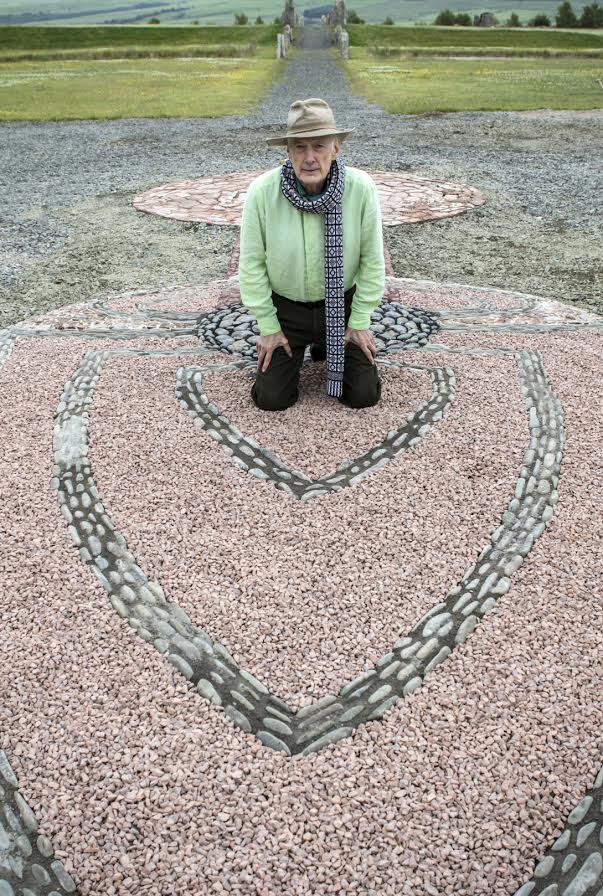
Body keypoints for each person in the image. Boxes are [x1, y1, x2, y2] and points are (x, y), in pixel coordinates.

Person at [239, 97, 385, 411]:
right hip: (287, 310)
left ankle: (325, 344)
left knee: (364, 395)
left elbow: (373, 262)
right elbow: (251, 265)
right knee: (271, 400)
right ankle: (309, 344)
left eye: (319, 146)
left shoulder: (361, 188)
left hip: (341, 305)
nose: (309, 158)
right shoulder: (262, 192)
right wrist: (268, 327)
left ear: (336, 149)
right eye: (299, 147)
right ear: (287, 151)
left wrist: (359, 321)